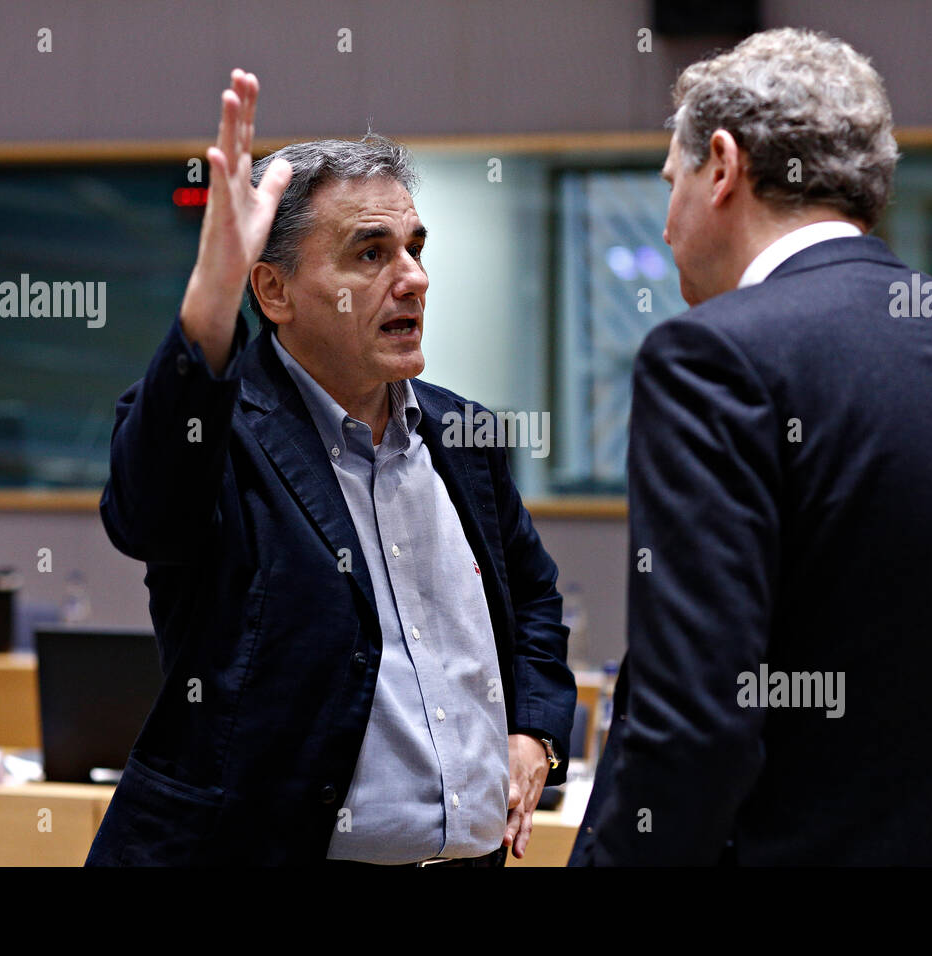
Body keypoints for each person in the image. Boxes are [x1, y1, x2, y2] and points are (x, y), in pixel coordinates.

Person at [570, 28, 932, 866]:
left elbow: (695, 723)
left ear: (722, 165)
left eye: (670, 182)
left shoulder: (714, 354)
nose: (670, 223)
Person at [86, 71, 574, 866]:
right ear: (273, 290)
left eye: (414, 247)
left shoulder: (462, 432)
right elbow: (148, 513)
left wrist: (535, 727)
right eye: (370, 253)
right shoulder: (224, 430)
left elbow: (532, 594)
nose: (411, 276)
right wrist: (210, 302)